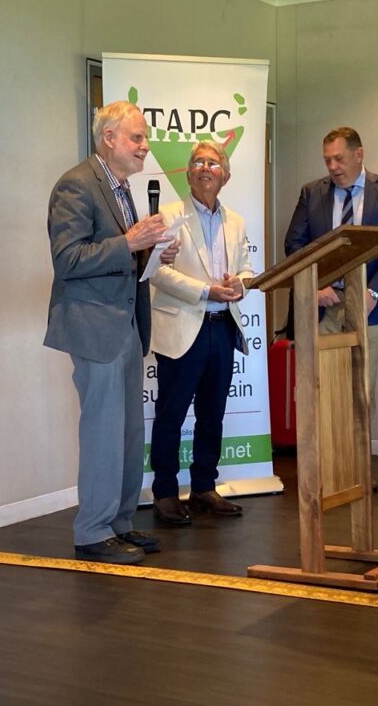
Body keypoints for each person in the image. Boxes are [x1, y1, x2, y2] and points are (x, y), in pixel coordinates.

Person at [44, 101, 169, 564]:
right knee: (103, 431)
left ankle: (119, 523)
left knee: (129, 431)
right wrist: (130, 243)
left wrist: (147, 256)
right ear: (109, 138)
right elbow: (68, 260)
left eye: (145, 139)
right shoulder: (76, 185)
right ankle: (92, 532)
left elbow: (114, 256)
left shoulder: (119, 187)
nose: (145, 147)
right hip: (95, 326)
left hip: (126, 324)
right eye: (137, 138)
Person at [148, 141, 254, 525]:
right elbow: (156, 271)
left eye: (213, 163)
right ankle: (164, 492)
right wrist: (206, 290)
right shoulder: (167, 215)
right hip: (182, 327)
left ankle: (205, 487)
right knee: (171, 414)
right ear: (188, 173)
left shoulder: (236, 221)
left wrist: (240, 284)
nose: (205, 168)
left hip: (222, 327)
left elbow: (245, 267)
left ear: (225, 175)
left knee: (213, 414)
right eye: (198, 163)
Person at [284, 126, 378, 408]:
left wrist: (374, 294)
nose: (333, 166)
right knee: (322, 391)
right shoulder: (312, 192)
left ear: (359, 154)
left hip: (368, 306)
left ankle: (358, 454)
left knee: (361, 394)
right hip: (321, 306)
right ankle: (325, 454)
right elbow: (294, 245)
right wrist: (316, 285)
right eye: (327, 160)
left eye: (339, 159)